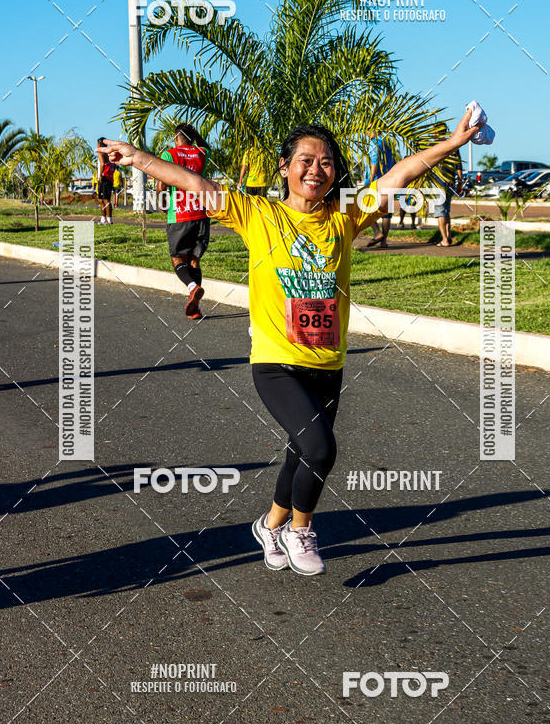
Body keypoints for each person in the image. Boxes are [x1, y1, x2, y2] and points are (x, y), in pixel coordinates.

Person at [98, 109, 480, 576]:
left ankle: (269, 524)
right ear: (285, 167)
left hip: (327, 361)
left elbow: (400, 173)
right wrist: (137, 157)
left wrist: (452, 144)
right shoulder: (258, 214)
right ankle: (301, 530)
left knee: (300, 453)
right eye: (305, 160)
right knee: (321, 449)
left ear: (335, 173)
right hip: (276, 361)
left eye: (326, 163)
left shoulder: (345, 215)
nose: (315, 170)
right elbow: (196, 185)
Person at [157, 124, 211, 318]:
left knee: (177, 257)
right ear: (192, 136)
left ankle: (192, 286)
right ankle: (195, 308)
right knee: (194, 259)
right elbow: (206, 146)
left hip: (179, 214)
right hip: (201, 215)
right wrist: (196, 136)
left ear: (176, 137)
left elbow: (161, 184)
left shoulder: (169, 155)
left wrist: (161, 200)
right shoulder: (201, 152)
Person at [364, 129, 395, 248]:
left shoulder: (374, 142)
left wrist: (371, 177)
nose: (366, 132)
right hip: (388, 179)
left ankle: (377, 233)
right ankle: (384, 242)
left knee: (365, 207)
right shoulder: (387, 143)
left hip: (376, 180)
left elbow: (374, 160)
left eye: (368, 129)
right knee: (386, 212)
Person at [434, 151, 463, 246]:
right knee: (446, 211)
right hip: (450, 183)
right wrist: (459, 182)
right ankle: (448, 236)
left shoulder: (433, 145)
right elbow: (459, 166)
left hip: (438, 183)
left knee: (440, 212)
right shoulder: (453, 145)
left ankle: (444, 239)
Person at [96, 136, 114, 225]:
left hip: (104, 178)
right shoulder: (108, 153)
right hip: (109, 178)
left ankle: (109, 220)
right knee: (101, 199)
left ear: (100, 144)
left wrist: (100, 175)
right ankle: (103, 219)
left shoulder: (101, 153)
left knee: (105, 200)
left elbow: (102, 163)